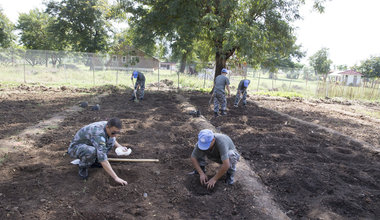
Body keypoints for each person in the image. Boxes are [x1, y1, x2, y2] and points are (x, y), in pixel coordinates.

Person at [67, 117, 129, 186]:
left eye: (118, 133)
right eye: (113, 132)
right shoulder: (98, 133)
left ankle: (95, 161)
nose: (115, 135)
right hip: (76, 148)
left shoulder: (109, 126)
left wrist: (119, 146)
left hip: (90, 143)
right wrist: (116, 178)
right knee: (91, 151)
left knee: (111, 140)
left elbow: (113, 138)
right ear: (107, 127)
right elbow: (103, 159)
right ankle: (83, 167)